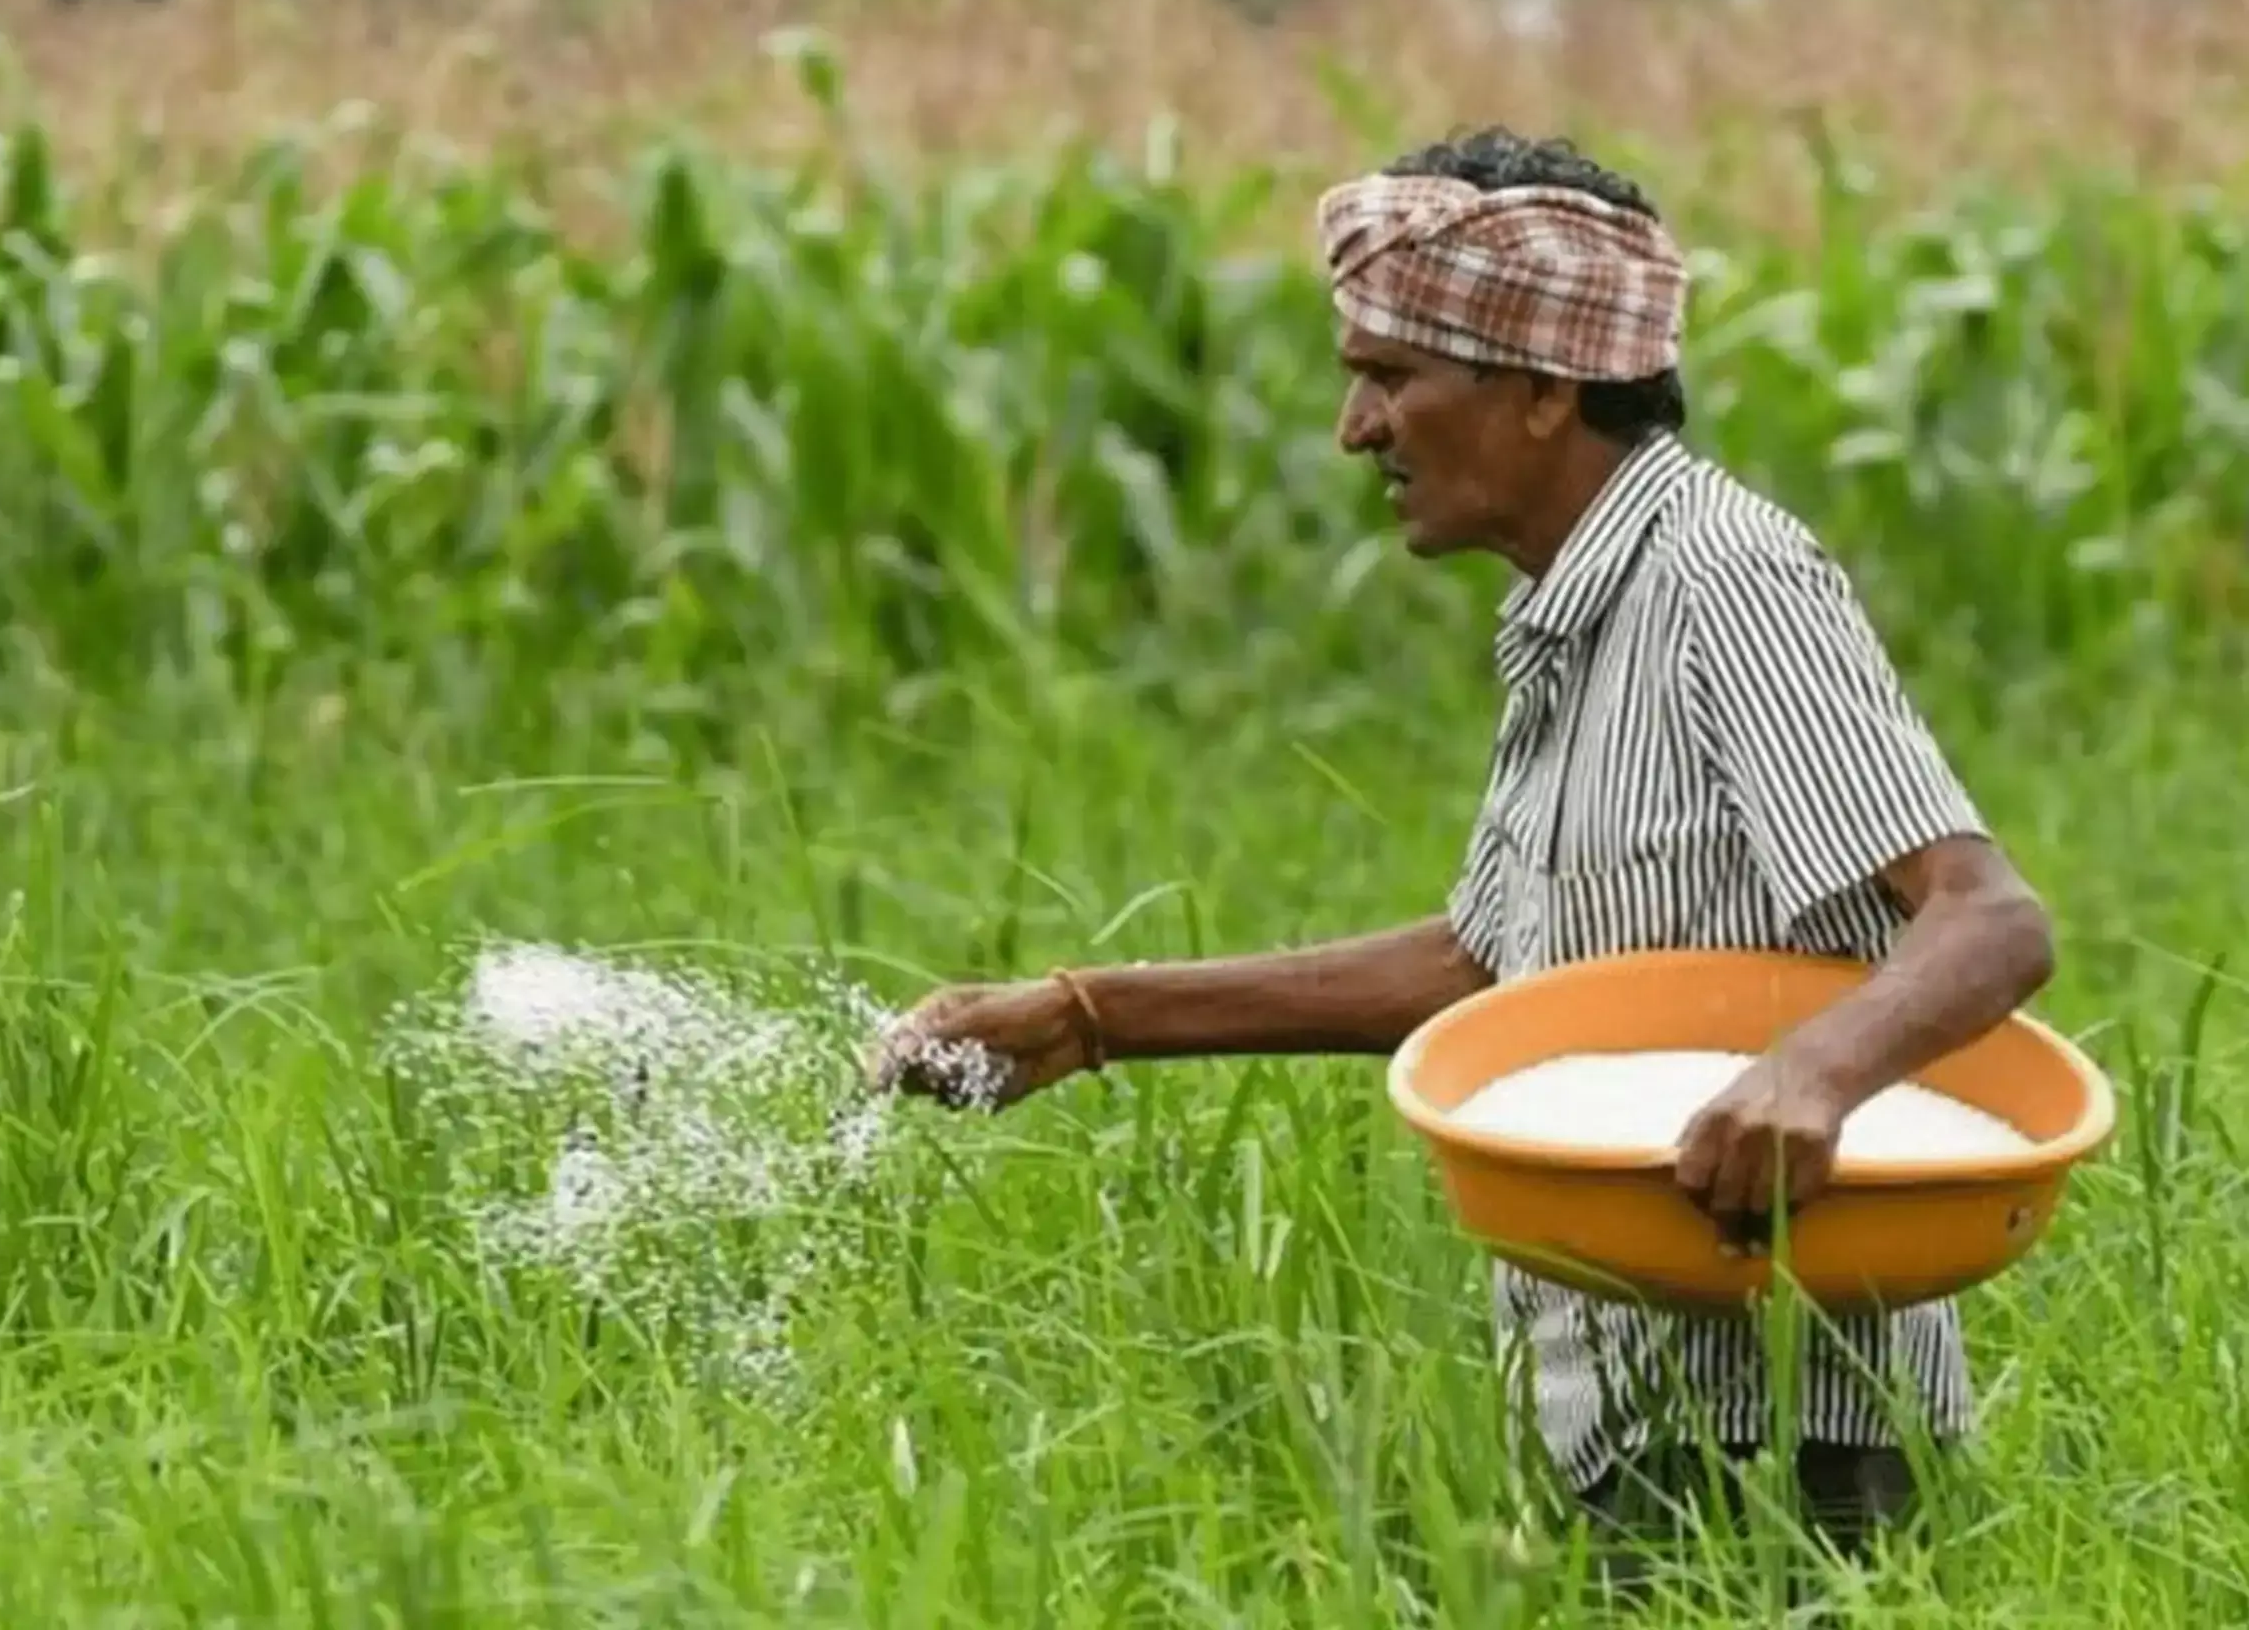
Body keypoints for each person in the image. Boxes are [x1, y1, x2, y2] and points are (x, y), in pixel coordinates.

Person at [869, 126, 2057, 1582]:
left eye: (1388, 377)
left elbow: (1985, 918)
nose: (1354, 430)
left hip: (1788, 1438)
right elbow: (1493, 970)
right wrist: (1089, 1017)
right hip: (1631, 1412)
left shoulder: (1719, 579)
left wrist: (1812, 1073)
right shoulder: (1576, 615)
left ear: (1547, 391)